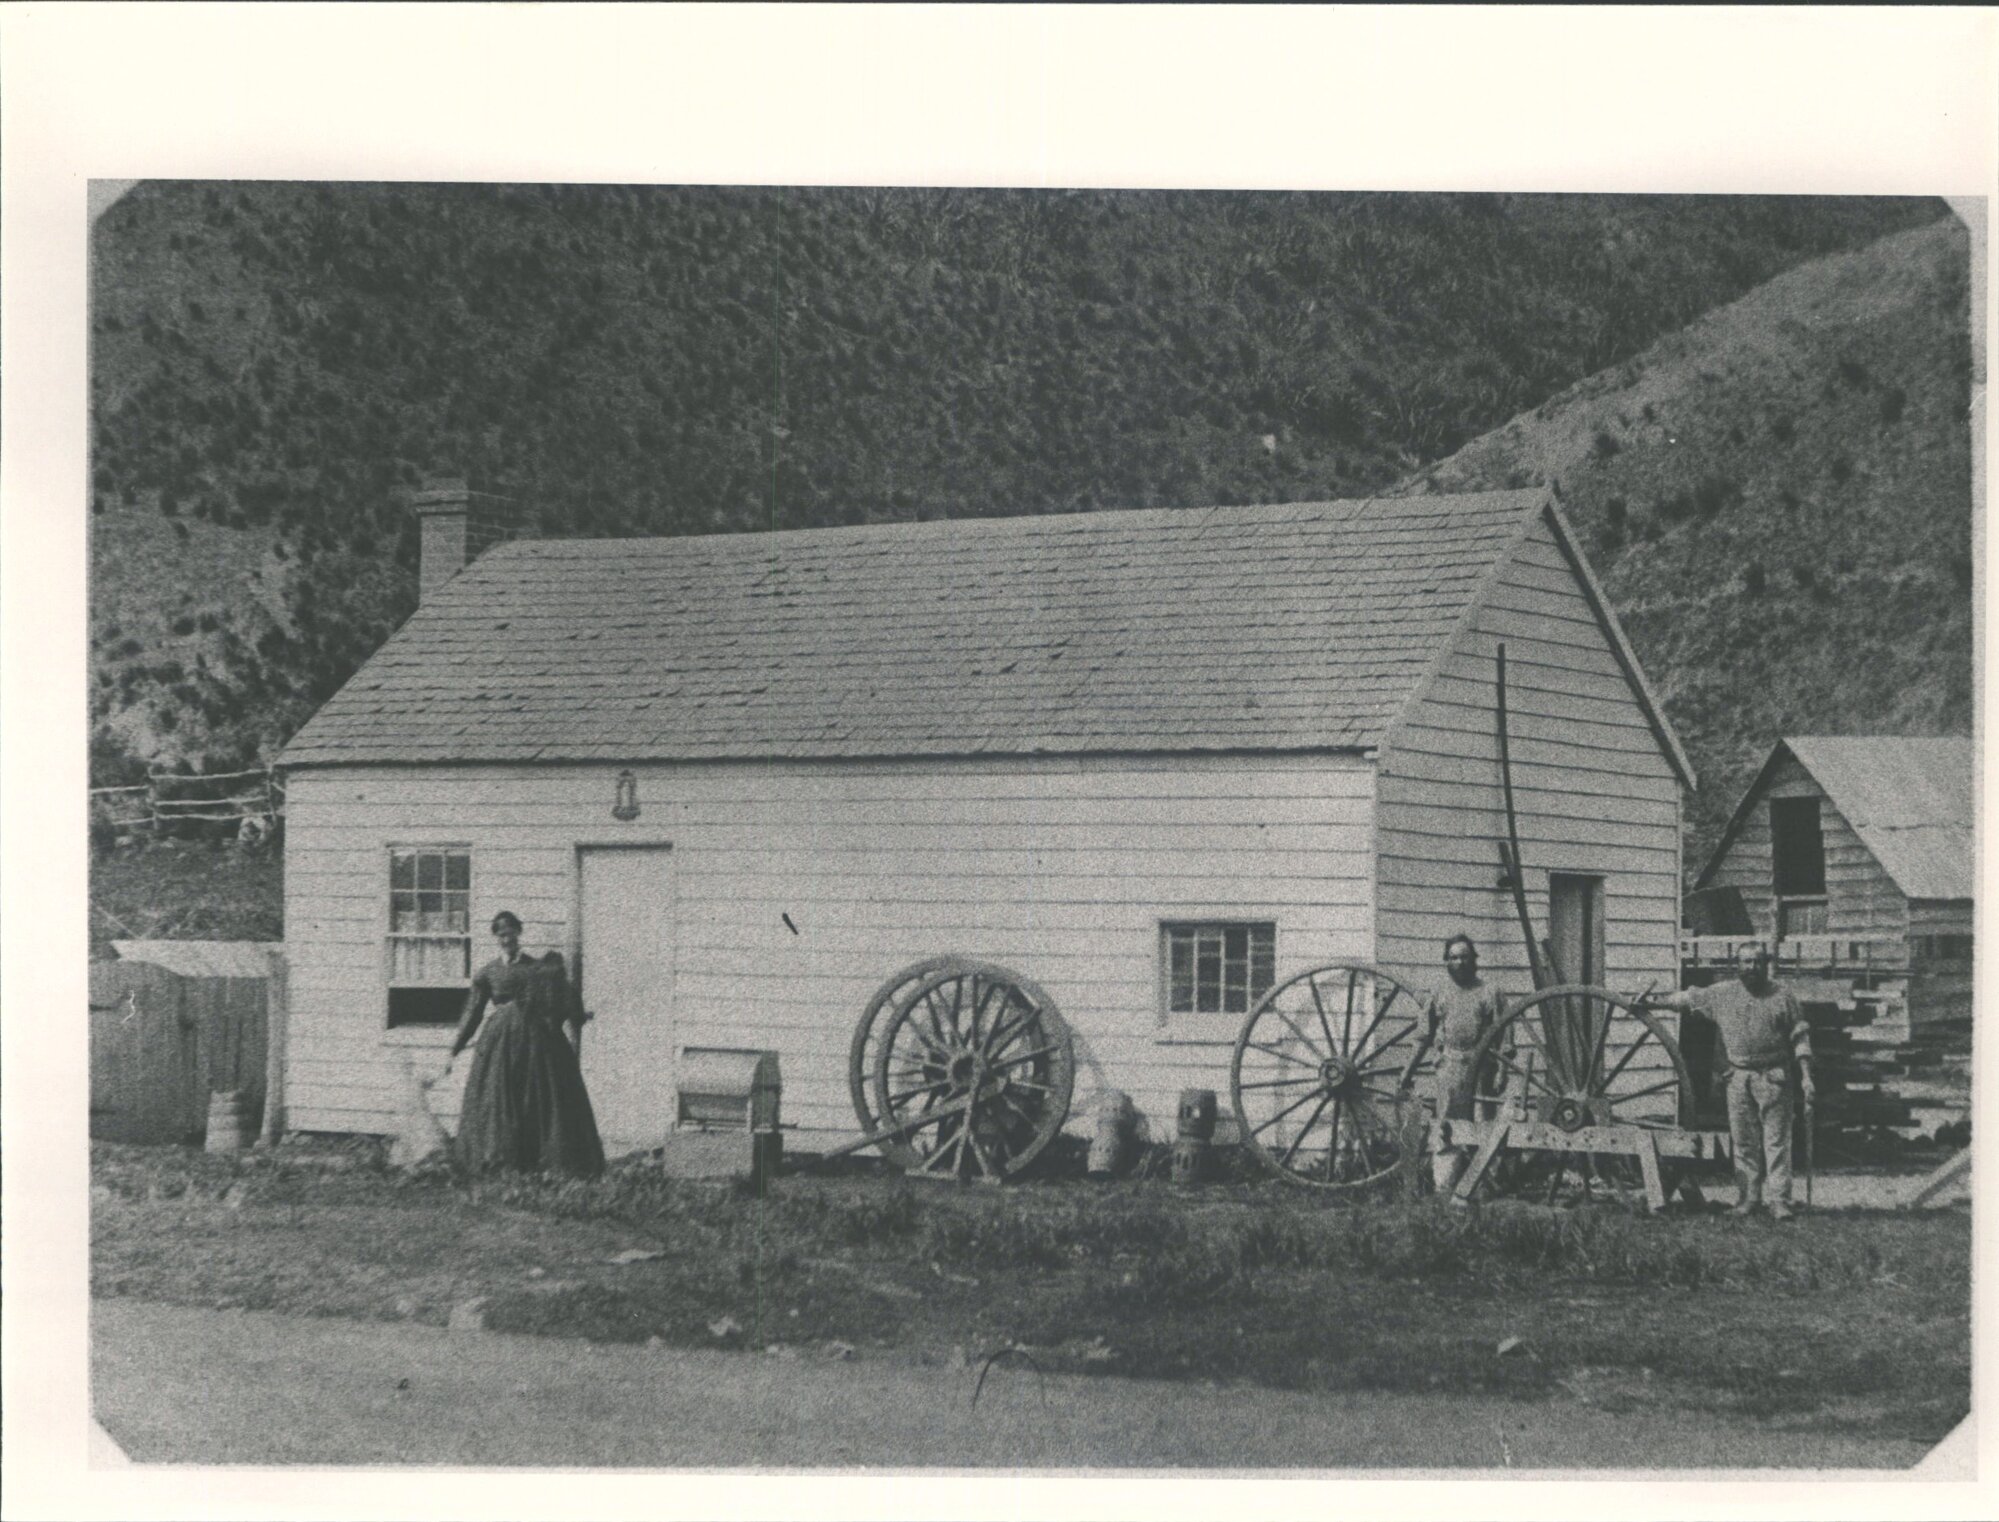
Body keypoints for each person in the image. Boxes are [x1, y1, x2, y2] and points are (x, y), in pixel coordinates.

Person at [1651, 945, 1813, 1219]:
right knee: (1744, 1142)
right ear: (1737, 965)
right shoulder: (1723, 994)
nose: (1751, 967)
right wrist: (1653, 1001)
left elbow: (1800, 1036)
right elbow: (1688, 999)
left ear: (1766, 965)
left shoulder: (1782, 996)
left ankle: (1779, 1201)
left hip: (1774, 1077)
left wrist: (1807, 1077)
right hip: (1738, 1078)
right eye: (1746, 962)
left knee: (1776, 1142)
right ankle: (1748, 1199)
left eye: (1757, 962)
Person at [445, 910, 606, 1178]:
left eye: (509, 934)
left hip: (535, 1045)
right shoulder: (488, 973)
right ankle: (500, 1162)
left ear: (518, 933)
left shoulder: (537, 969)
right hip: (499, 1046)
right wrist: (455, 1049)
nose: (505, 940)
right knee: (499, 1099)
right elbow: (472, 1013)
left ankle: (538, 1162)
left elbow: (560, 997)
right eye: (500, 936)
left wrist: (577, 1015)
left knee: (537, 1098)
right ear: (495, 938)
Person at [1402, 934, 1506, 1197]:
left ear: (1474, 960)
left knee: (1484, 1127)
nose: (1460, 962)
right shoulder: (1440, 992)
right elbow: (1424, 1034)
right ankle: (1445, 1188)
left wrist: (1502, 1070)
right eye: (1454, 957)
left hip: (1483, 1067)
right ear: (1446, 961)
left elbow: (1505, 1034)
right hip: (1450, 1066)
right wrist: (1408, 1069)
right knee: (1447, 1128)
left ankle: (1485, 1187)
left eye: (1465, 956)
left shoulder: (1490, 991)